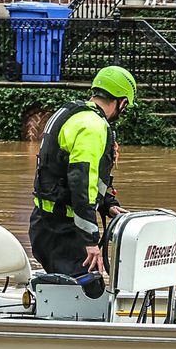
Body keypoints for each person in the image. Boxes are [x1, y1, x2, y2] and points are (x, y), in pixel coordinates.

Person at [29, 66, 137, 277]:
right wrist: (89, 240)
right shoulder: (92, 126)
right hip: (62, 231)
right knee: (88, 293)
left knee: (78, 289)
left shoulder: (72, 113)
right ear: (122, 102)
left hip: (47, 223)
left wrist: (107, 205)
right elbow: (81, 182)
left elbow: (72, 171)